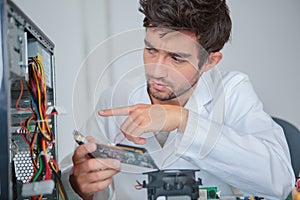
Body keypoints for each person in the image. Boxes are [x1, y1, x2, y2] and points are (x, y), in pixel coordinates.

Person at [68, 0, 295, 199]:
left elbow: (279, 179)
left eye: (176, 59)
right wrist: (82, 187)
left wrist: (184, 120)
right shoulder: (116, 98)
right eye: (151, 50)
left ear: (210, 61)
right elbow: (76, 182)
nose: (157, 70)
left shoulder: (232, 91)